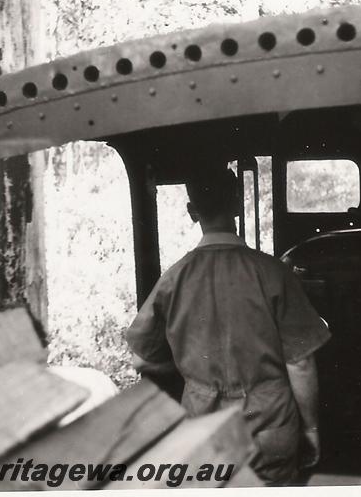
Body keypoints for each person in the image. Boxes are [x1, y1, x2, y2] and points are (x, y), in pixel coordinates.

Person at [126, 164, 330, 485]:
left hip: (203, 428)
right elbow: (301, 363)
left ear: (192, 212)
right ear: (237, 203)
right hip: (270, 427)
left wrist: (190, 372)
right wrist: (311, 429)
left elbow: (141, 360)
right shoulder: (274, 273)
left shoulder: (173, 279)